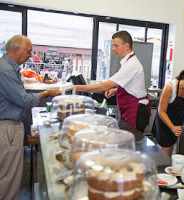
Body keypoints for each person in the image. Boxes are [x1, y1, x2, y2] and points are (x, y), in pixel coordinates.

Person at [0, 35, 61, 200]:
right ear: (16, 49)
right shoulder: (5, 69)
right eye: (28, 52)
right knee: (8, 176)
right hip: (7, 127)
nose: (29, 55)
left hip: (10, 125)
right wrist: (47, 93)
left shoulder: (9, 67)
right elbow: (23, 99)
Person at [75, 31, 150, 133]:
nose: (113, 49)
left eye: (116, 46)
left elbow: (105, 86)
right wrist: (115, 91)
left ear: (126, 46)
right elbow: (130, 85)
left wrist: (78, 88)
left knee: (131, 144)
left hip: (136, 111)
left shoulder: (131, 64)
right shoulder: (128, 62)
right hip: (131, 109)